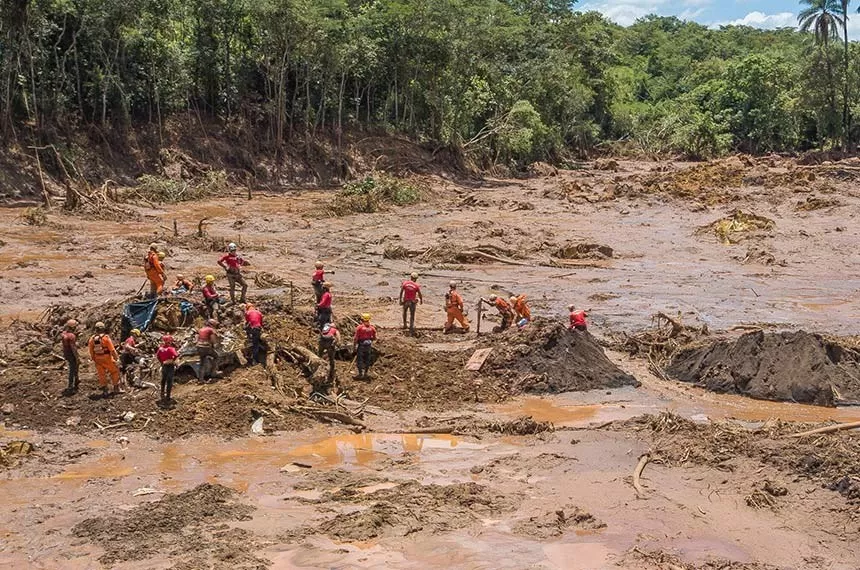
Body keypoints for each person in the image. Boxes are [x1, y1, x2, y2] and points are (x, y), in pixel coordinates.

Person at [88, 322, 121, 396]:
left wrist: (94, 359)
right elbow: (112, 350)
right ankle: (116, 388)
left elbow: (91, 351)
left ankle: (105, 391)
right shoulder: (106, 338)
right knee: (114, 371)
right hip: (107, 358)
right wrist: (117, 359)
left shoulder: (92, 339)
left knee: (101, 374)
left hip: (97, 359)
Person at [156, 335, 178, 405]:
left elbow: (158, 356)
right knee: (169, 381)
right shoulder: (170, 348)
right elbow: (176, 355)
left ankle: (162, 392)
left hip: (164, 365)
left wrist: (162, 363)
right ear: (169, 341)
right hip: (170, 366)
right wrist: (173, 360)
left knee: (163, 379)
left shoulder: (160, 349)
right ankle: (168, 397)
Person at [318, 322, 342, 388]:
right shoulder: (335, 330)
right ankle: (331, 372)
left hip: (322, 343)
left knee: (319, 356)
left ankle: (319, 366)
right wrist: (338, 344)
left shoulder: (325, 328)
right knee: (331, 359)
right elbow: (338, 338)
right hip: (329, 345)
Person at [353, 314, 377, 380]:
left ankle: (360, 374)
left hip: (361, 345)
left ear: (362, 319)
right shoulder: (372, 328)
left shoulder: (359, 328)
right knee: (367, 359)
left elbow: (355, 338)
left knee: (359, 360)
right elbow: (375, 338)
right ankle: (366, 373)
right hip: (368, 346)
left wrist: (354, 347)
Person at [61, 319, 80, 394]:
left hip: (66, 353)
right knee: (73, 368)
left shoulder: (63, 334)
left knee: (74, 366)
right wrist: (77, 357)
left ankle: (77, 380)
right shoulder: (72, 336)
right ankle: (70, 385)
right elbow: (73, 348)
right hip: (71, 354)